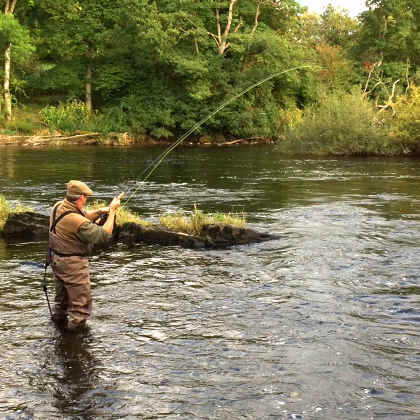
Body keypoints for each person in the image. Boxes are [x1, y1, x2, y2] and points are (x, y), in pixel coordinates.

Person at [49, 180, 124, 331]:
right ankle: (74, 344)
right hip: (73, 266)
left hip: (57, 261)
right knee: (80, 309)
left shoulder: (58, 206)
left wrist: (102, 211)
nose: (86, 199)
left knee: (61, 303)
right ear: (81, 197)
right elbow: (103, 235)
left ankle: (58, 335)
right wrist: (113, 212)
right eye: (86, 197)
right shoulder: (76, 221)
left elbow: (82, 216)